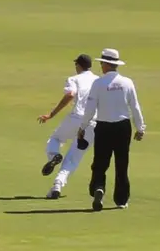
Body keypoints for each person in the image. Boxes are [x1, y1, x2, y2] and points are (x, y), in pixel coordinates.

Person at [78, 48, 146, 211]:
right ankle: (121, 199)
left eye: (102, 63)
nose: (101, 66)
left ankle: (98, 188)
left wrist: (82, 126)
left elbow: (90, 108)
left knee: (100, 162)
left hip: (103, 127)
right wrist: (140, 127)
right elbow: (134, 106)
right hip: (123, 126)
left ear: (107, 65)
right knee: (122, 163)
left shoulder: (98, 83)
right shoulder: (127, 82)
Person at [37, 54, 99, 199]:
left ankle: (54, 155)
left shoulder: (74, 79)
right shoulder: (98, 80)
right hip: (93, 122)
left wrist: (51, 114)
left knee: (55, 139)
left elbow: (70, 94)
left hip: (76, 118)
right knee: (73, 159)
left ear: (78, 65)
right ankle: (57, 184)